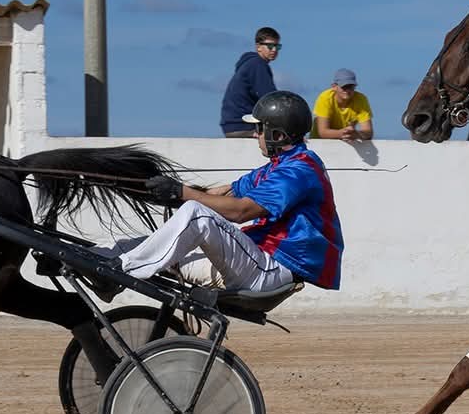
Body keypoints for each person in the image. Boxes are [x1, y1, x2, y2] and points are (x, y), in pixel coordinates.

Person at [109, 90, 343, 292]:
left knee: (196, 213)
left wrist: (182, 193)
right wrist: (164, 193)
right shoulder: (278, 167)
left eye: (259, 129)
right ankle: (107, 263)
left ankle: (122, 271)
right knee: (131, 246)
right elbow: (225, 194)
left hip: (271, 269)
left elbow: (241, 211)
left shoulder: (299, 171)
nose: (255, 134)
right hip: (252, 261)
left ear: (278, 135)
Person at [219, 27, 282, 137]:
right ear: (258, 47)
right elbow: (270, 100)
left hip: (232, 126)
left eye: (277, 46)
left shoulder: (251, 64)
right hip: (243, 125)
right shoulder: (257, 65)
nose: (274, 50)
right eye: (270, 46)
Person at [312, 68, 373, 141]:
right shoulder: (325, 98)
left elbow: (368, 132)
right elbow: (323, 132)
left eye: (351, 87)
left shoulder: (361, 99)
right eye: (344, 87)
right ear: (334, 87)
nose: (347, 90)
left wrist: (356, 134)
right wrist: (345, 133)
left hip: (345, 143)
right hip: (318, 143)